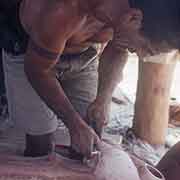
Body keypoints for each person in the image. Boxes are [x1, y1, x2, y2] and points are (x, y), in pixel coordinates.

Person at [1, 0, 180, 158]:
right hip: (30, 54)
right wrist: (73, 123)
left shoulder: (128, 12)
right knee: (40, 141)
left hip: (82, 55)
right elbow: (37, 71)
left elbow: (118, 48)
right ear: (133, 18)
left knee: (91, 134)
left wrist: (103, 99)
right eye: (146, 47)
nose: (140, 54)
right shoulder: (63, 9)